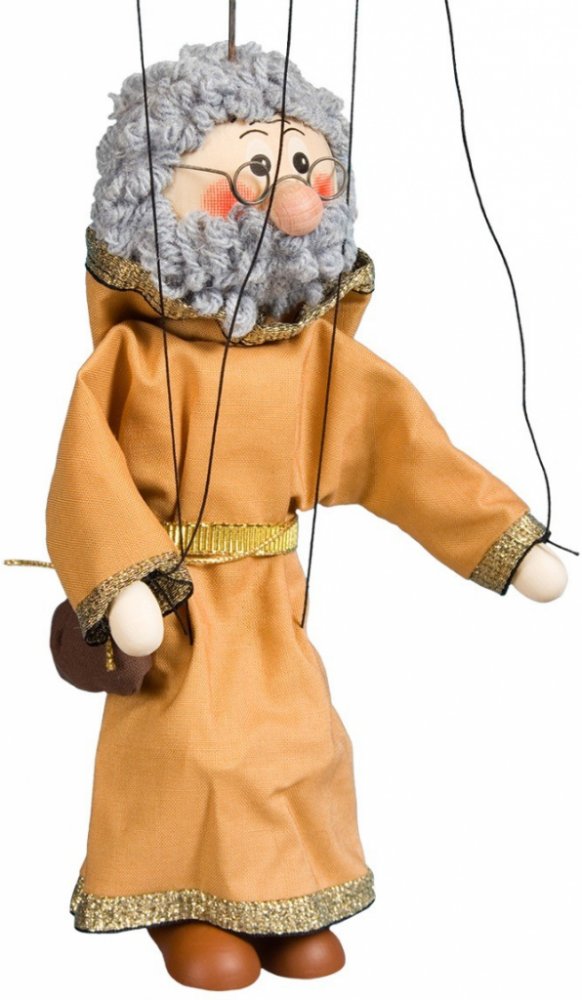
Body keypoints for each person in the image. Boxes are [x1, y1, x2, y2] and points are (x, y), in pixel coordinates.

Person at [46, 42, 566, 991]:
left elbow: (404, 449)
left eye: (303, 162)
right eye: (254, 163)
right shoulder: (133, 363)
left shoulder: (313, 360)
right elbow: (86, 474)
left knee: (296, 741)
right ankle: (183, 904)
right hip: (176, 597)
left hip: (271, 595)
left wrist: (503, 536)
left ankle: (282, 895)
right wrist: (122, 583)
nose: (290, 192)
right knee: (190, 747)